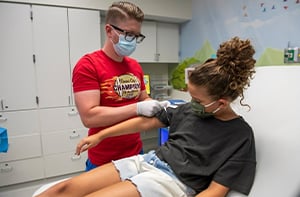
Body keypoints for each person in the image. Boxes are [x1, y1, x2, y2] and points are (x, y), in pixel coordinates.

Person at [36, 36, 257, 197]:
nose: (192, 105)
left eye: (198, 100)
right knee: (61, 190)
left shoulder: (240, 136)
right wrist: (100, 136)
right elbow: (146, 121)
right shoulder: (190, 110)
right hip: (148, 160)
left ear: (221, 103)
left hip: (172, 182)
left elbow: (217, 190)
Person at [72, 1, 165, 171]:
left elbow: (144, 98)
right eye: (129, 34)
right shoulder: (88, 65)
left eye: (137, 36)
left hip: (135, 153)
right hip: (103, 158)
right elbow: (89, 117)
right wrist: (137, 108)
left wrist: (158, 105)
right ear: (109, 31)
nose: (133, 41)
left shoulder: (135, 66)